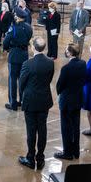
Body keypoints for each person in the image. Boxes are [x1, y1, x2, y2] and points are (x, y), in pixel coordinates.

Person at [18, 38, 54, 170]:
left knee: (31, 131)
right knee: (42, 129)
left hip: (31, 100)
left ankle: (30, 158)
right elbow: (49, 80)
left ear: (33, 47)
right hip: (44, 100)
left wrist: (23, 95)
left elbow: (21, 83)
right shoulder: (50, 63)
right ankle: (40, 159)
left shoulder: (27, 64)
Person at [54, 44, 87, 160]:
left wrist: (60, 92)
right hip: (78, 98)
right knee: (75, 126)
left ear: (69, 53)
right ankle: (75, 152)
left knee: (66, 127)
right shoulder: (83, 64)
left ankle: (67, 152)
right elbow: (84, 79)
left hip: (67, 101)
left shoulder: (66, 68)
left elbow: (59, 86)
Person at [3, 8, 34, 111]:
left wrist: (7, 48)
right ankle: (22, 101)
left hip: (14, 55)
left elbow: (6, 42)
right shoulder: (29, 27)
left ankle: (13, 103)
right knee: (22, 79)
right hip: (24, 55)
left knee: (12, 79)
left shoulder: (14, 28)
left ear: (17, 16)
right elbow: (29, 38)